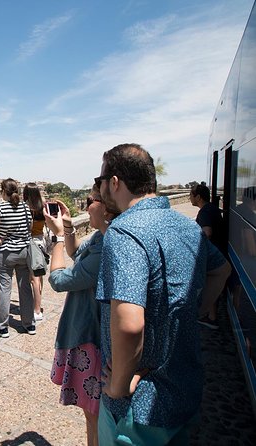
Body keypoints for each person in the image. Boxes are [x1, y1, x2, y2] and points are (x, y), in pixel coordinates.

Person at [94, 143, 230, 445]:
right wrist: (185, 317)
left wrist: (117, 386)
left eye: (101, 180)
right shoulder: (187, 227)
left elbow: (129, 325)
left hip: (137, 413)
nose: (100, 187)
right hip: (185, 391)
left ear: (115, 183)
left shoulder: (124, 232)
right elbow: (221, 271)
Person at [45, 187, 117, 446]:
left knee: (94, 414)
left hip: (91, 336)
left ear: (106, 206)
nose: (87, 206)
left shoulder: (107, 246)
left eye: (90, 201)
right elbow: (78, 255)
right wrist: (68, 227)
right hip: (92, 332)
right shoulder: (100, 238)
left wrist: (56, 241)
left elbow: (59, 279)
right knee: (91, 413)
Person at [0, 178, 36, 338]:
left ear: (3, 191)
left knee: (5, 288)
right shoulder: (25, 207)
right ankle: (29, 324)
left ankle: (2, 327)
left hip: (6, 253)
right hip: (23, 252)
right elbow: (30, 227)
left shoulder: (0, 206)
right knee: (25, 288)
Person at [190, 181, 227, 329]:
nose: (189, 199)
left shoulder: (204, 212)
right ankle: (211, 315)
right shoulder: (212, 209)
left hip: (212, 255)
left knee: (208, 283)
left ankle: (211, 318)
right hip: (220, 252)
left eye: (191, 195)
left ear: (198, 197)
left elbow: (207, 232)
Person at [23, 183, 47, 322]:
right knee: (39, 275)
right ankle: (38, 303)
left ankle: (36, 310)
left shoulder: (27, 208)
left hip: (31, 243)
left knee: (34, 279)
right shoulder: (41, 206)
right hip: (41, 242)